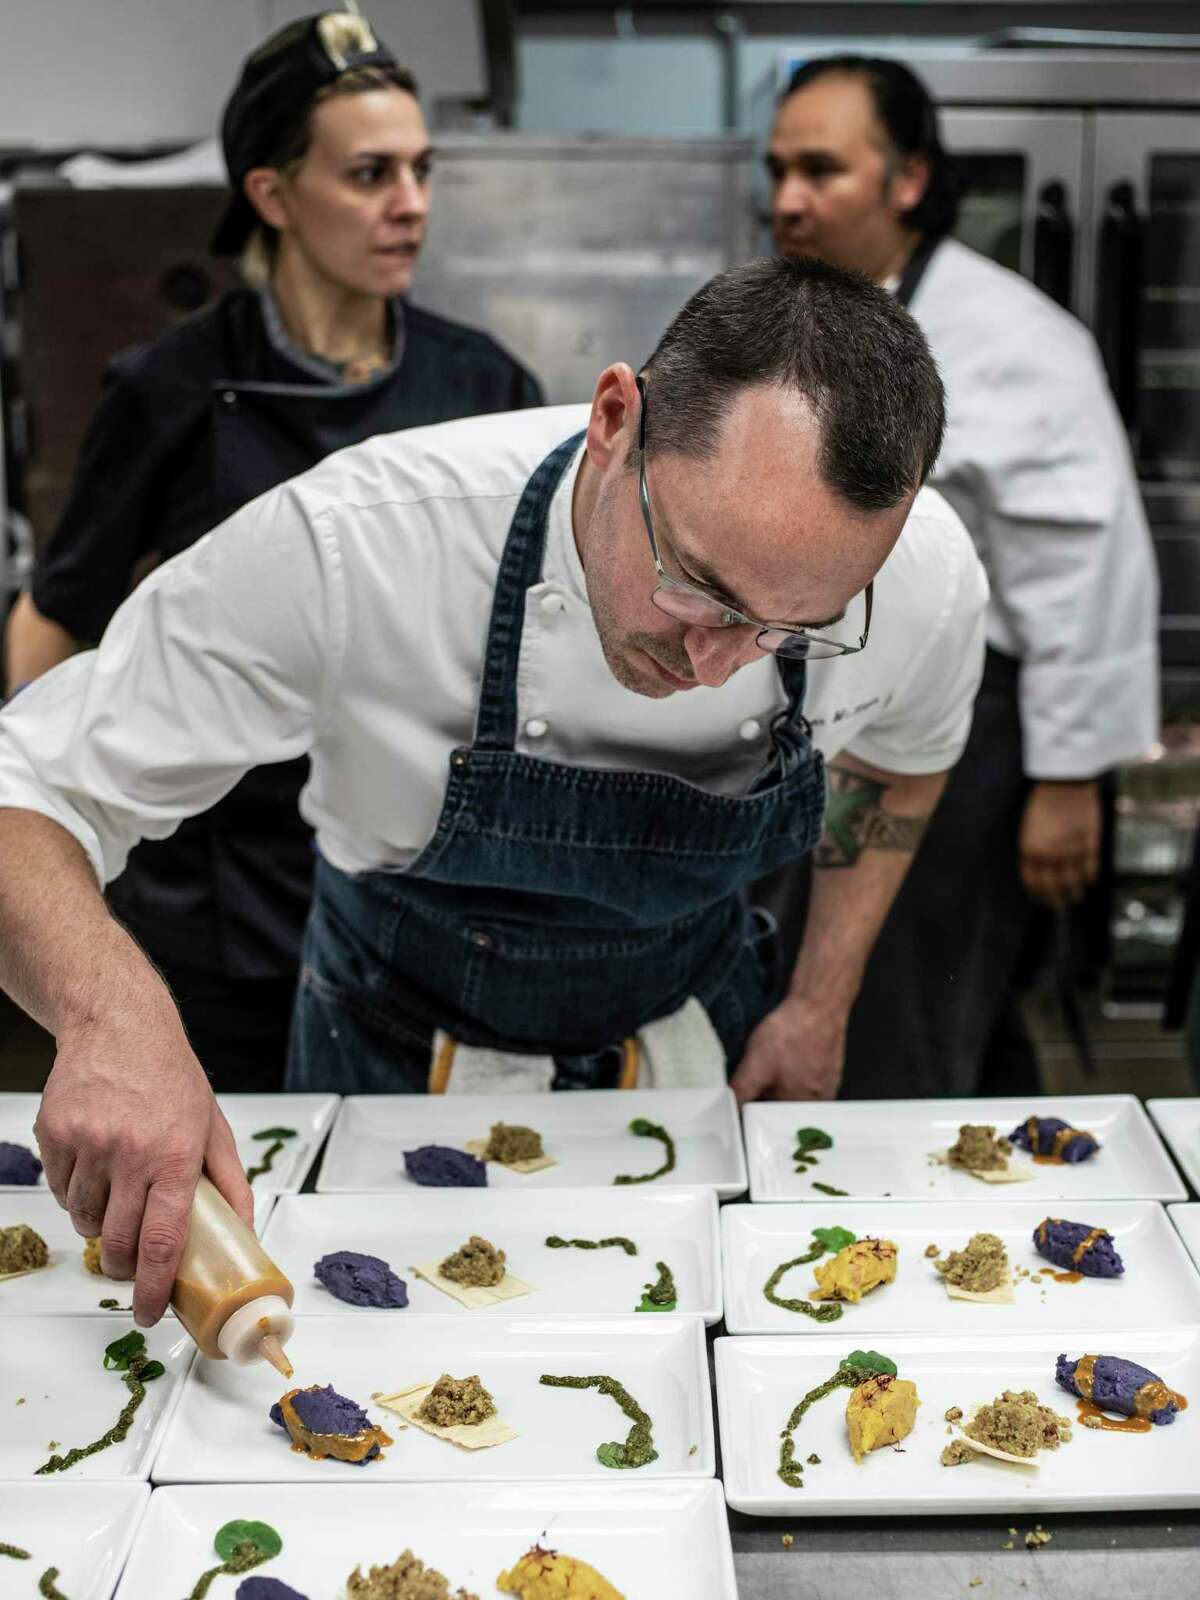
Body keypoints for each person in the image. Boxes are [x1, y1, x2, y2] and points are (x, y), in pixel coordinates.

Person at [0, 257, 986, 1323]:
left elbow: (901, 762)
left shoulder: (923, 587)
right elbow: (32, 782)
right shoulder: (358, 548)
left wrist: (821, 999)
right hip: (387, 1054)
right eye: (696, 586)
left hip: (692, 1048)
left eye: (792, 629)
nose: (716, 664)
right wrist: (115, 1018)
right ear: (616, 420)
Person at [2, 10, 542, 1092]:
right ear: (272, 193)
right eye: (370, 174)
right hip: (216, 897)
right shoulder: (171, 388)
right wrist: (61, 850)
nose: (411, 205)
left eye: (423, 171)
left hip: (417, 892)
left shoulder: (482, 386)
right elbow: (57, 613)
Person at [763, 55, 1159, 1098]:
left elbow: (1085, 563)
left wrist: (1070, 779)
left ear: (905, 180)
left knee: (904, 1006)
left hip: (976, 731)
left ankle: (888, 1226)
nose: (789, 199)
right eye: (778, 171)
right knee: (899, 996)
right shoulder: (798, 319)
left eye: (821, 170)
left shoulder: (1013, 339)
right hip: (837, 707)